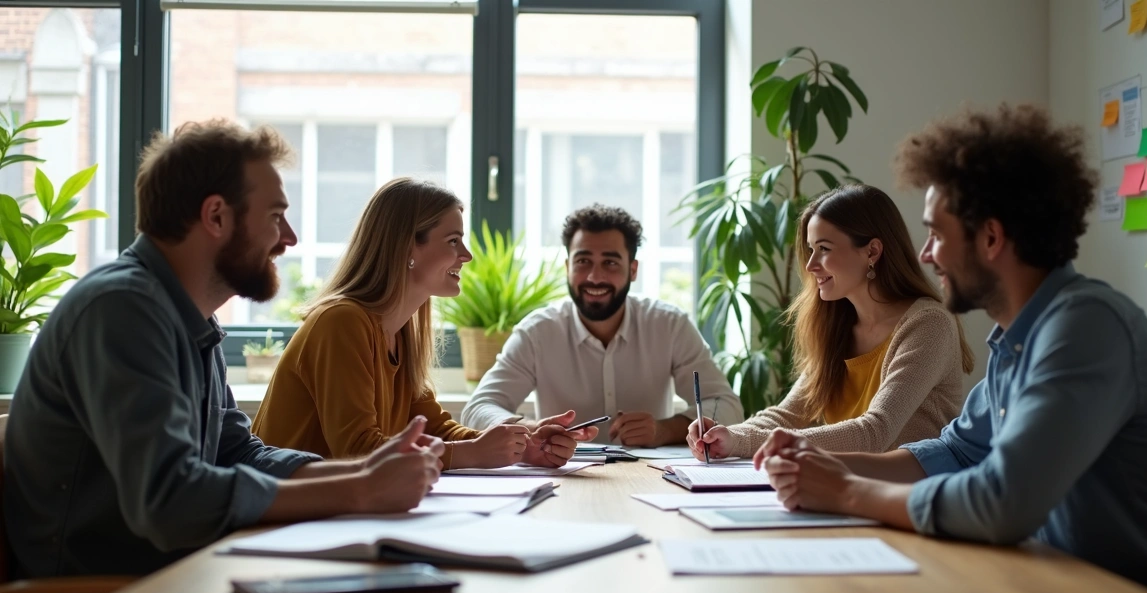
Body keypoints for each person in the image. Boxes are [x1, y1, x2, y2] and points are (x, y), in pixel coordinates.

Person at [2, 121, 445, 593]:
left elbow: (240, 451)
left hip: (177, 586)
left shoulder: (190, 317)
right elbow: (169, 499)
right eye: (276, 216)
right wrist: (359, 492)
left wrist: (365, 470)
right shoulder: (122, 311)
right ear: (216, 216)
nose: (290, 238)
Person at [757, 104, 1147, 593]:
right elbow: (955, 451)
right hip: (1077, 591)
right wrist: (819, 458)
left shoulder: (1086, 329)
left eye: (936, 234)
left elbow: (1002, 502)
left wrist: (846, 491)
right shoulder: (1017, 340)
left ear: (991, 237)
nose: (926, 254)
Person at [252, 178, 585, 468]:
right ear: (407, 247)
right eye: (453, 240)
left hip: (340, 511)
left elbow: (436, 430)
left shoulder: (402, 332)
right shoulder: (341, 322)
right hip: (292, 520)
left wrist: (522, 448)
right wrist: (469, 453)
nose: (466, 255)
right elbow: (355, 450)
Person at [688, 184, 973, 459]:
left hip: (911, 499)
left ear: (872, 252)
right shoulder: (839, 326)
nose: (811, 265)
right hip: (850, 491)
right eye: (811, 249)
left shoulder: (928, 325)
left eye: (824, 248)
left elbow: (874, 433)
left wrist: (742, 441)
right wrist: (724, 435)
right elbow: (789, 415)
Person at [461, 204, 742, 446]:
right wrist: (532, 429)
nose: (595, 277)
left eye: (610, 262)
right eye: (583, 261)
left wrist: (664, 430)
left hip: (649, 478)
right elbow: (478, 408)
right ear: (567, 267)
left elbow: (727, 406)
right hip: (564, 478)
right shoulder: (538, 332)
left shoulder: (669, 325)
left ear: (633, 270)